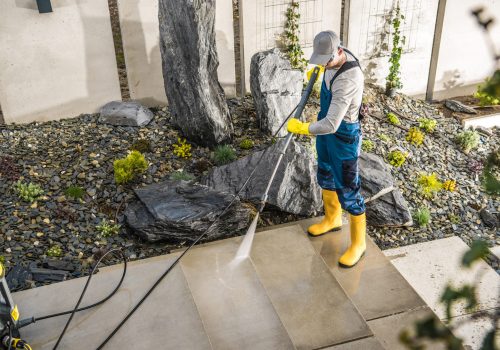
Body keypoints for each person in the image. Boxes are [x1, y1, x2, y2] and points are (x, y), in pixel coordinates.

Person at [287, 30, 366, 268]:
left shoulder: (348, 79)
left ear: (338, 52)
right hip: (326, 125)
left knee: (349, 188)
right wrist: (320, 70)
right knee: (325, 173)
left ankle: (358, 244)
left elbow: (331, 124)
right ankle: (332, 219)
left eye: (327, 61)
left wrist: (302, 128)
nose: (324, 65)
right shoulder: (334, 57)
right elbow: (327, 118)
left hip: (342, 134)